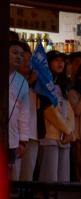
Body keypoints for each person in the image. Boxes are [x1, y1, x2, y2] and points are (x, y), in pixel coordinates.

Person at [37, 50, 75, 182]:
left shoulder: (64, 84)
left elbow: (69, 110)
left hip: (65, 136)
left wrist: (69, 131)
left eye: (62, 61)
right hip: (49, 136)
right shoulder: (43, 83)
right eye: (56, 60)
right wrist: (67, 130)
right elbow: (48, 110)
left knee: (63, 178)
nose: (61, 64)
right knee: (49, 178)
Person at [7, 41, 37, 181]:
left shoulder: (22, 82)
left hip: (12, 139)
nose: (19, 57)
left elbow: (24, 115)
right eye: (14, 53)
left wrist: (23, 141)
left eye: (21, 55)